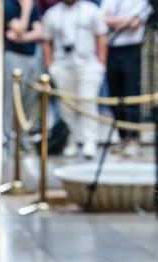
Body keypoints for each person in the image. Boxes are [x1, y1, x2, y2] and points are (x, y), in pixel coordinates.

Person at [42, 0, 107, 158]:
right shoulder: (52, 14)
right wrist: (50, 67)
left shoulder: (91, 10)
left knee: (88, 102)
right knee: (66, 107)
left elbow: (101, 37)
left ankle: (90, 142)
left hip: (88, 65)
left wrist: (101, 64)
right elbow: (47, 42)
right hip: (62, 66)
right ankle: (69, 142)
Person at [102, 0, 147, 155]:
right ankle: (123, 138)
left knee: (131, 94)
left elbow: (134, 23)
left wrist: (113, 21)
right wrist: (124, 21)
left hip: (131, 50)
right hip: (111, 49)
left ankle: (134, 139)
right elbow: (102, 20)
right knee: (115, 95)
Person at [3, 0, 43, 145]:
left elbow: (40, 31)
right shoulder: (8, 5)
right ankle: (7, 134)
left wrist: (22, 38)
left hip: (31, 56)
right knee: (12, 96)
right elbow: (20, 27)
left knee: (30, 96)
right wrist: (25, 9)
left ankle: (23, 135)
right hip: (13, 55)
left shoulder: (33, 5)